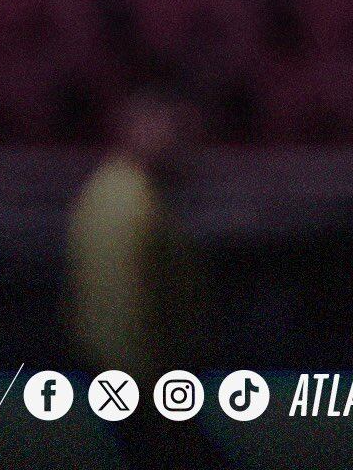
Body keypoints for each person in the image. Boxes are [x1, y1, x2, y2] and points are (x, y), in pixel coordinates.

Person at [67, 84, 233, 469]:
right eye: (174, 128)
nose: (185, 141)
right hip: (141, 392)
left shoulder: (128, 195)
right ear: (139, 127)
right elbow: (117, 315)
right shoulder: (126, 205)